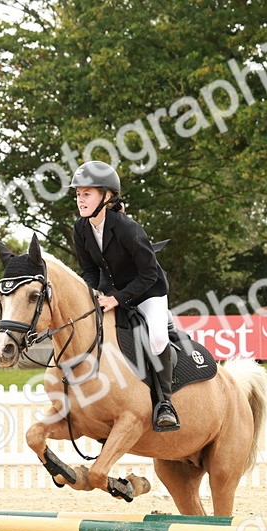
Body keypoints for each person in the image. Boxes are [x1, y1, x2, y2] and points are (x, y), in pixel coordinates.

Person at [70, 161, 179, 431]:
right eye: (78, 194)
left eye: (87, 194)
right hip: (111, 290)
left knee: (157, 337)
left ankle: (165, 403)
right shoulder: (81, 229)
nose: (80, 200)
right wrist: (92, 294)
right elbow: (89, 270)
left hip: (149, 291)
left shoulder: (128, 229)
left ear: (106, 196)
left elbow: (149, 274)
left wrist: (117, 299)